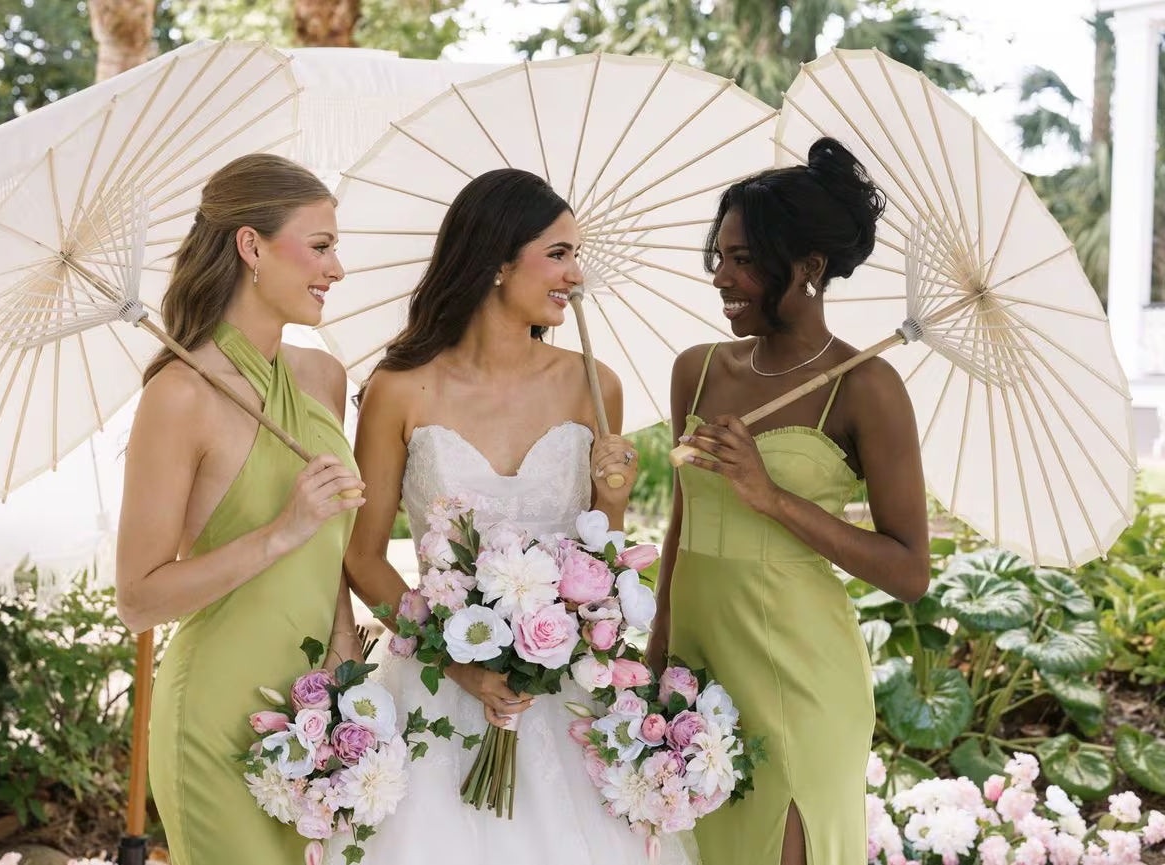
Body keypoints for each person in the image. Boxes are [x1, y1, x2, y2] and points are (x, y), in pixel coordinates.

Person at [342, 168, 694, 864]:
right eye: (558, 253)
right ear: (498, 260)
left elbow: (601, 564)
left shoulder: (592, 386)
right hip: (440, 693)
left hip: (561, 699)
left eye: (576, 255)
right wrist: (456, 661)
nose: (576, 275)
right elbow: (362, 556)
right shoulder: (397, 388)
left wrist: (614, 502)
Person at [647, 137, 931, 865]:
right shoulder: (697, 369)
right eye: (720, 254)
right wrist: (655, 661)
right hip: (698, 667)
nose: (721, 276)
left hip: (800, 675)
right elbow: (681, 524)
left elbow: (908, 571)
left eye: (744, 259)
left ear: (808, 267)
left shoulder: (866, 388)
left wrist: (770, 497)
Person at [115, 154, 366, 864]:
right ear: (251, 246)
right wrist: (280, 532)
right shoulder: (180, 395)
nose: (336, 268)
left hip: (318, 715)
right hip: (216, 721)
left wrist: (349, 692)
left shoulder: (323, 377)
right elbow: (137, 599)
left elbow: (333, 563)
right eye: (320, 246)